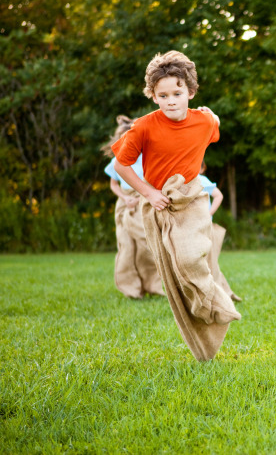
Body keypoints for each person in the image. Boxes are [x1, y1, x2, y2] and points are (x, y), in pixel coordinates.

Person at [112, 50, 240, 361]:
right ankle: (202, 308)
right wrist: (149, 193)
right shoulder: (143, 127)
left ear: (191, 92)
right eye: (163, 95)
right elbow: (121, 165)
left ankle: (216, 304)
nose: (171, 100)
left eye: (178, 93)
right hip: (159, 201)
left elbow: (215, 123)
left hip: (192, 197)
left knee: (190, 256)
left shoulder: (205, 120)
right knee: (175, 269)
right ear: (153, 96)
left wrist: (214, 115)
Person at [102, 115, 163, 299]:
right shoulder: (116, 162)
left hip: (143, 200)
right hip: (125, 203)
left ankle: (154, 285)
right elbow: (114, 185)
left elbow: (152, 181)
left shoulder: (146, 157)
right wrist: (125, 198)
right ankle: (132, 289)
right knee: (126, 247)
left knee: (146, 246)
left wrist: (142, 196)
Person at [199, 161, 241, 302]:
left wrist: (209, 213)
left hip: (205, 227)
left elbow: (218, 195)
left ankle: (222, 293)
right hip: (191, 227)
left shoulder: (202, 180)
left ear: (202, 169)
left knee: (210, 262)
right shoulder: (183, 182)